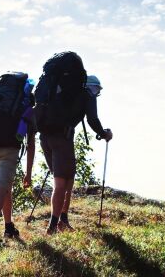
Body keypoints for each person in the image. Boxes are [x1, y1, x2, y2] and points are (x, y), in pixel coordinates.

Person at [40, 74, 112, 234]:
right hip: (62, 139)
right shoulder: (87, 94)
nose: (96, 94)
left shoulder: (62, 90)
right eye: (97, 90)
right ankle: (53, 226)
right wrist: (104, 133)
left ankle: (62, 220)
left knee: (68, 179)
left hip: (45, 137)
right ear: (93, 87)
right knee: (61, 184)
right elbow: (92, 119)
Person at [0, 74, 36, 246]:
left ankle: (8, 226)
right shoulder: (26, 103)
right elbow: (30, 144)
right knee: (1, 190)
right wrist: (29, 173)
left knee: (4, 188)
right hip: (9, 149)